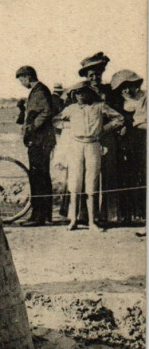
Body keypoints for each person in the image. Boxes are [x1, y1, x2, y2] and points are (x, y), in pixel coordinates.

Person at [53, 82, 123, 232]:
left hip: (93, 145)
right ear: (73, 95)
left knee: (92, 183)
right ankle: (73, 220)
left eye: (83, 92)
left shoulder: (100, 106)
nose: (80, 96)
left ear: (89, 93)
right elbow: (56, 121)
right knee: (75, 183)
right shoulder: (71, 109)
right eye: (77, 93)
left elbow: (119, 119)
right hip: (76, 145)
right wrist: (69, 127)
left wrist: (103, 129)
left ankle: (92, 221)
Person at [78, 52, 120, 223]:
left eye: (98, 74)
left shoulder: (110, 92)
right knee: (85, 174)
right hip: (87, 140)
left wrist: (106, 128)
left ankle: (107, 215)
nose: (95, 77)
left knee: (108, 174)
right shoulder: (81, 92)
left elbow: (119, 115)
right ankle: (83, 215)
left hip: (107, 138)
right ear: (87, 77)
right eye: (91, 75)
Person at [15, 66, 55, 226]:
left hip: (40, 141)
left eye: (21, 79)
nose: (21, 83)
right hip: (40, 141)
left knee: (38, 178)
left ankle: (38, 216)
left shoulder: (39, 90)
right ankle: (44, 215)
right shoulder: (39, 90)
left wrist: (31, 128)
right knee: (41, 177)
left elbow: (46, 111)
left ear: (27, 77)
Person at [111, 70, 147, 223]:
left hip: (140, 141)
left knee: (140, 175)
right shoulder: (119, 102)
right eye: (123, 88)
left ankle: (142, 213)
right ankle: (126, 214)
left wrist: (129, 127)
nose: (126, 91)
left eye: (129, 86)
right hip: (122, 143)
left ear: (135, 85)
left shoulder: (143, 99)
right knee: (124, 176)